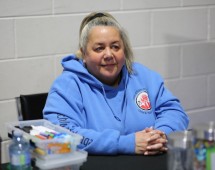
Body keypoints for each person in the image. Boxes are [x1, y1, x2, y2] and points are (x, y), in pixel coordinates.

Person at [43, 12, 189, 155]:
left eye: (115, 46)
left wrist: (160, 135)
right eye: (99, 48)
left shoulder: (141, 75)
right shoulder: (67, 85)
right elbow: (62, 134)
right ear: (84, 54)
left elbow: (175, 112)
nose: (108, 55)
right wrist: (126, 143)